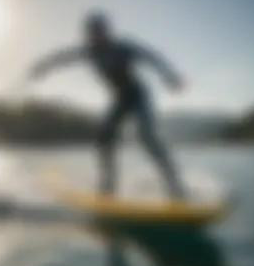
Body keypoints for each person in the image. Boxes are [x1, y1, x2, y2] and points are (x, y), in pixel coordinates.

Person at [24, 11, 187, 199]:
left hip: (138, 96)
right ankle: (108, 189)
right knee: (103, 138)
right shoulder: (88, 52)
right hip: (120, 100)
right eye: (91, 33)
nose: (95, 37)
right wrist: (42, 67)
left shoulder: (122, 48)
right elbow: (63, 57)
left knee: (146, 136)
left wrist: (170, 75)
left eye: (99, 32)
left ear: (106, 32)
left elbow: (151, 56)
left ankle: (176, 187)